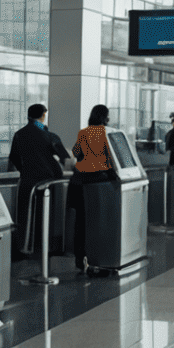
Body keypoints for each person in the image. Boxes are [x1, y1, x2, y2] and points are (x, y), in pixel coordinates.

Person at [8, 103, 70, 259]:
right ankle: (46, 248)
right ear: (43, 115)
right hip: (48, 182)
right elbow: (65, 157)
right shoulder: (49, 135)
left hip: (27, 180)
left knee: (25, 214)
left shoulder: (19, 134)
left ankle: (25, 246)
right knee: (46, 215)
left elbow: (14, 157)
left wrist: (24, 170)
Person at [68, 104, 115, 273]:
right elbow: (111, 158)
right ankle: (98, 256)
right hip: (98, 184)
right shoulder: (106, 133)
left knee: (80, 222)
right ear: (105, 117)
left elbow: (76, 153)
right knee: (99, 222)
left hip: (79, 182)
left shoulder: (83, 132)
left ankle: (80, 259)